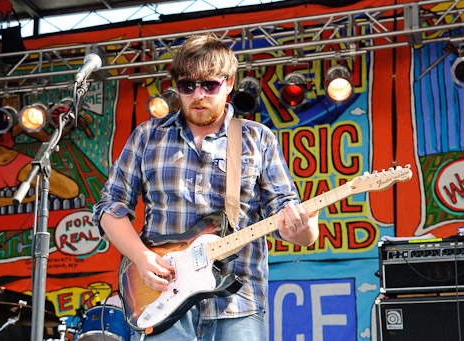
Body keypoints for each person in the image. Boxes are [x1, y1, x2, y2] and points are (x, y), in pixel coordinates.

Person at [92, 33, 319, 341]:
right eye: (187, 86)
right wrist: (140, 257)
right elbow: (110, 207)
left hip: (238, 302)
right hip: (161, 300)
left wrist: (302, 229)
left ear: (228, 83)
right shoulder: (148, 136)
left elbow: (294, 222)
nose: (198, 95)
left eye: (209, 85)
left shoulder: (258, 138)